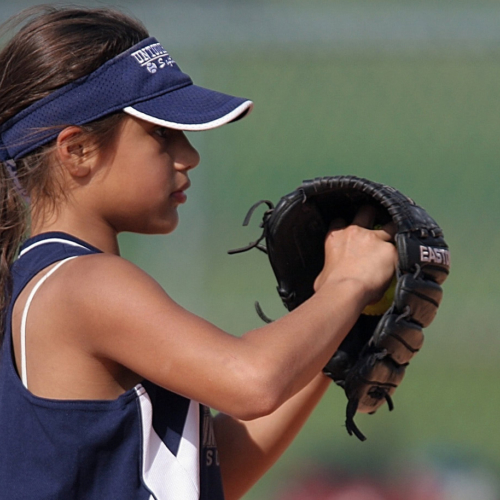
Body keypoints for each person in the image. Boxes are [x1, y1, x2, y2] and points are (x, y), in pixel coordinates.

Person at [0, 6, 397, 500]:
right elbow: (251, 382)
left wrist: (334, 335)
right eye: (161, 135)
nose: (189, 156)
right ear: (76, 150)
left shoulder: (49, 281)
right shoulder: (82, 284)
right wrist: (346, 283)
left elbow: (206, 476)